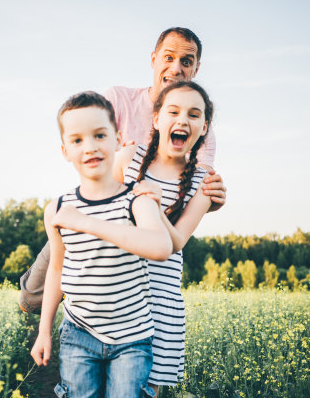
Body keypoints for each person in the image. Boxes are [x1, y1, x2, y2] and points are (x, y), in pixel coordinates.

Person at [19, 26, 226, 313]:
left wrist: (212, 200)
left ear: (196, 68)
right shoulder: (119, 99)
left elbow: (197, 190)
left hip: (149, 229)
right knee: (33, 298)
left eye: (186, 62)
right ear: (153, 59)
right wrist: (117, 159)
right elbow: (87, 151)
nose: (176, 68)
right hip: (98, 209)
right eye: (168, 58)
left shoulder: (199, 130)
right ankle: (37, 335)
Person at [30, 91, 172, 397]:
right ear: (65, 150)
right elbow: (57, 269)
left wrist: (87, 223)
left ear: (118, 139)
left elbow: (161, 248)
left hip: (132, 339)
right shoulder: (57, 209)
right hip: (78, 335)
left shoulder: (137, 198)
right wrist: (44, 332)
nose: (90, 147)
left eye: (99, 135)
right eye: (78, 140)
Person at [114, 80, 213, 394]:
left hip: (162, 309)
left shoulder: (203, 182)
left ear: (204, 127)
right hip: (117, 300)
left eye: (194, 115)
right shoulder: (128, 157)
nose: (183, 120)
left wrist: (154, 205)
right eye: (174, 111)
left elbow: (178, 241)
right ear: (156, 119)